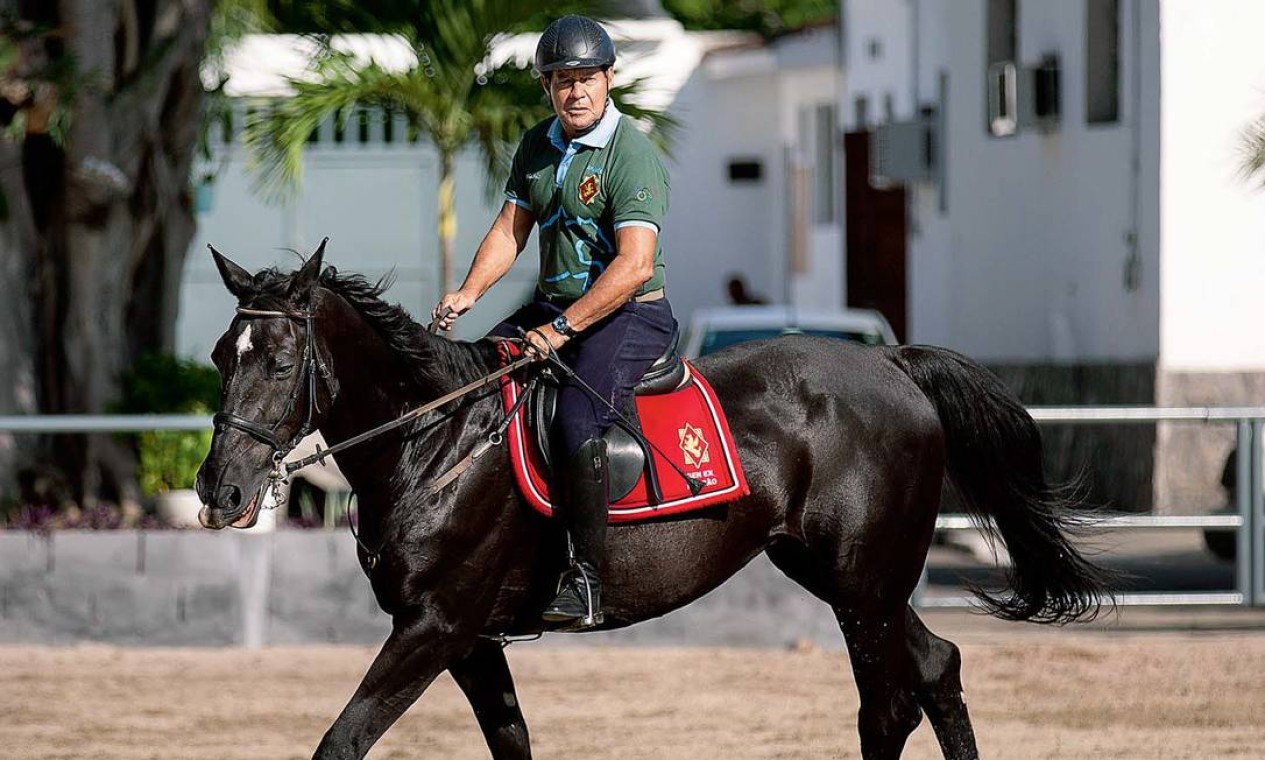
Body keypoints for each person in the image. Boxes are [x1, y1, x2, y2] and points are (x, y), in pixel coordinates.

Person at [432, 15, 676, 628]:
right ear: (547, 87)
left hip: (630, 315)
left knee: (574, 413)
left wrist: (562, 331)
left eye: (587, 78)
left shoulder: (633, 154)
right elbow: (511, 230)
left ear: (610, 78)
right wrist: (468, 292)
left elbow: (635, 264)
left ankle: (589, 580)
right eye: (563, 80)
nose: (577, 92)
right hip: (555, 309)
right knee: (472, 379)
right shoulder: (538, 145)